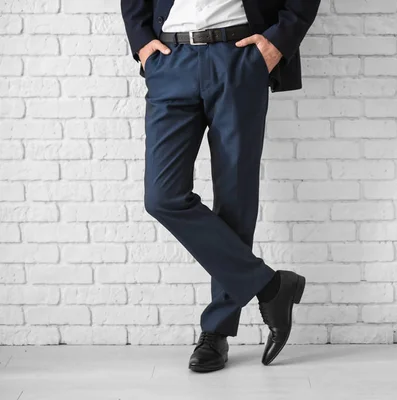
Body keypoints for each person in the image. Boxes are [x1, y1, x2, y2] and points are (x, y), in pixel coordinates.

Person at [120, 0, 321, 372]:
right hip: (170, 58)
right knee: (162, 197)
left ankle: (216, 332)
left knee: (235, 198)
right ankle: (271, 286)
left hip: (240, 56)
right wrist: (141, 42)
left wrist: (278, 42)